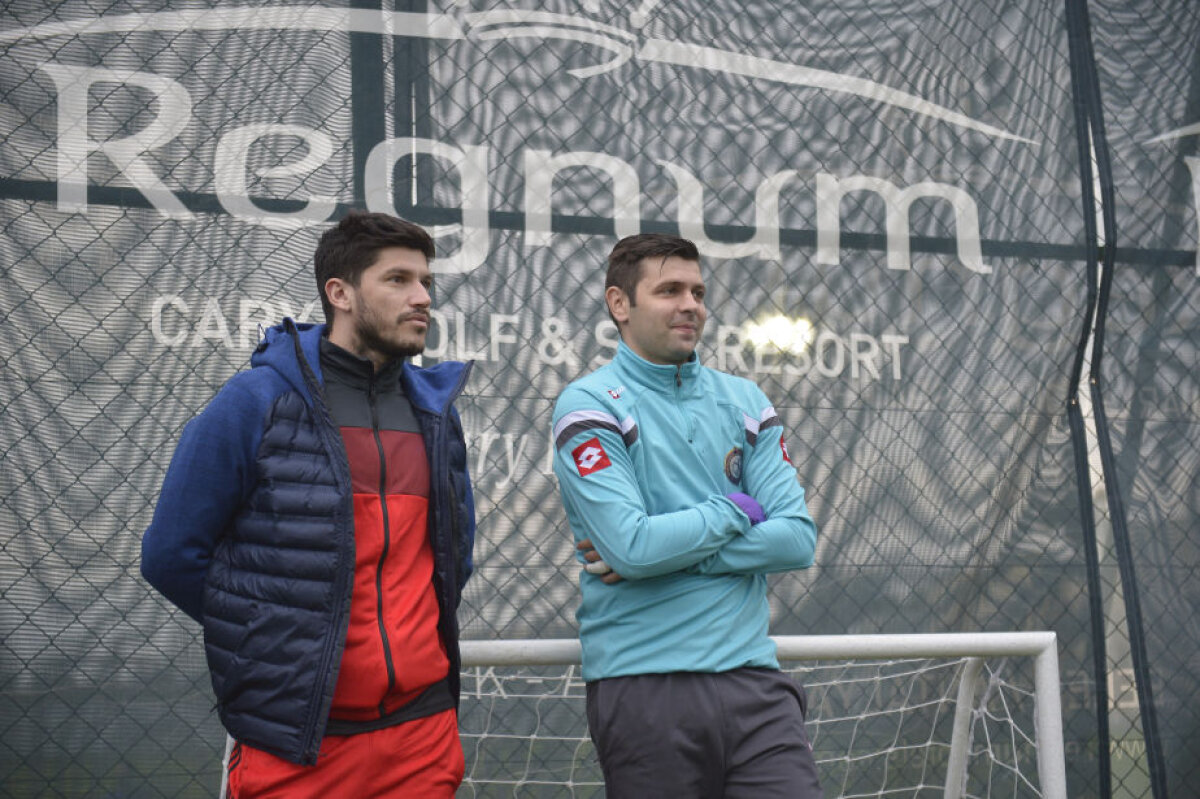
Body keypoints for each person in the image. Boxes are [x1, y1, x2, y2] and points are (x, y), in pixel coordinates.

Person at [141, 211, 475, 797]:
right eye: (398, 280)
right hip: (299, 746)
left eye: (425, 281)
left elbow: (452, 554)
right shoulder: (257, 400)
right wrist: (267, 634)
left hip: (421, 738)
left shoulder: (435, 413)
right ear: (340, 293)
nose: (422, 297)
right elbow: (171, 554)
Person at [551, 233, 822, 798]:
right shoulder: (589, 403)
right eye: (669, 290)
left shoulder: (746, 401)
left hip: (755, 681)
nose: (690, 305)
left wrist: (666, 556)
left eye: (697, 291)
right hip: (644, 686)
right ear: (619, 304)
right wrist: (738, 508)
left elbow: (796, 539)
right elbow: (633, 547)